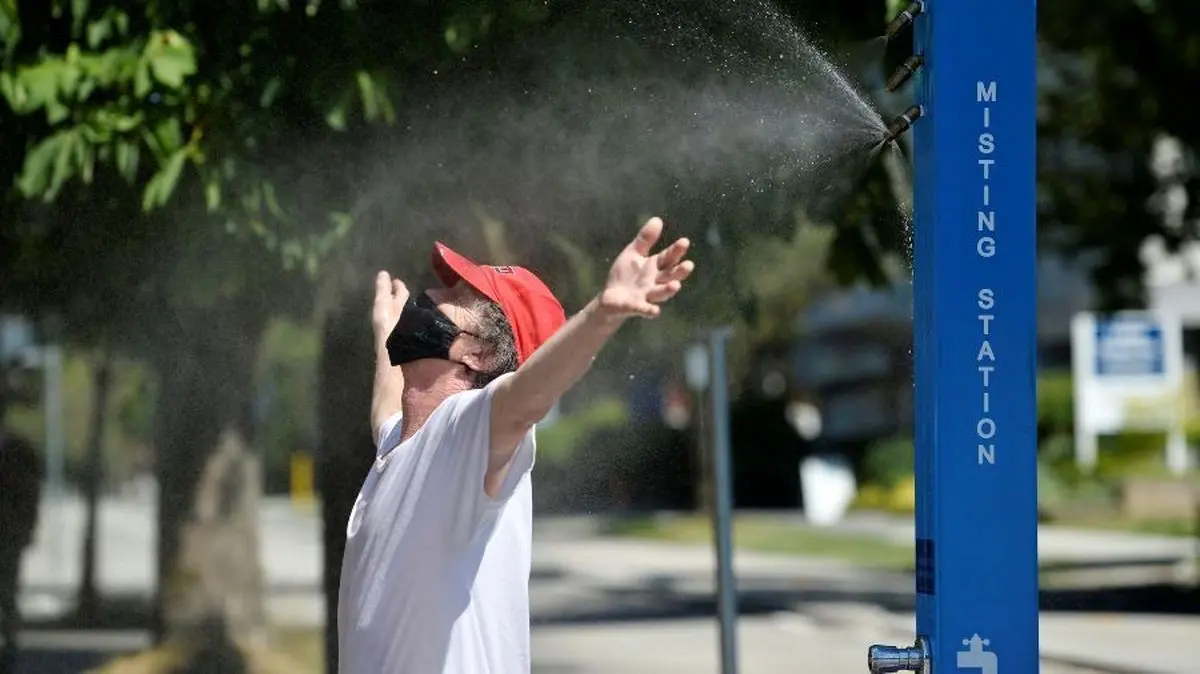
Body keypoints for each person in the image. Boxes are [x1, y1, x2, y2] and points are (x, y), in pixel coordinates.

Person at [337, 216, 695, 673]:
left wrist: (602, 315)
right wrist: (384, 328)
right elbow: (386, 407)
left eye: (454, 299)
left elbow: (526, 398)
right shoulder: (403, 444)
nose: (431, 297)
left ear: (479, 353)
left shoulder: (465, 433)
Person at [0, 383, 43, 674]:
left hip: (6, 539)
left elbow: (30, 497)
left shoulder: (20, 451)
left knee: (6, 596)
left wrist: (25, 532)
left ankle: (9, 653)